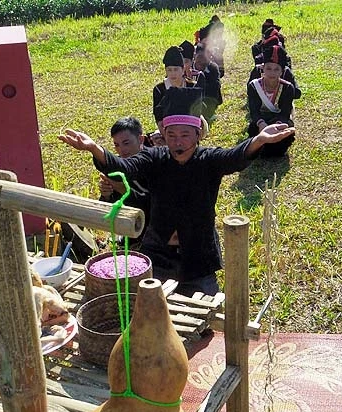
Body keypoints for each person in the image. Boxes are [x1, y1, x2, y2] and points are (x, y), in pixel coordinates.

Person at [58, 87, 295, 297]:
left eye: (184, 135)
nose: (178, 142)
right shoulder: (155, 158)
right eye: (171, 135)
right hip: (159, 253)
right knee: (152, 315)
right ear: (164, 136)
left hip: (198, 256)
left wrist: (259, 140)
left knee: (205, 317)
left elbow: (235, 156)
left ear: (197, 135)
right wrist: (94, 148)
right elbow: (123, 166)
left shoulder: (208, 160)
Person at [98, 117, 151, 245]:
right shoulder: (117, 167)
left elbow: (152, 205)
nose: (121, 150)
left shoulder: (154, 161)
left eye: (126, 143)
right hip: (133, 230)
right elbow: (109, 212)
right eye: (116, 145)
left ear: (140, 139)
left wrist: (122, 189)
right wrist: (106, 194)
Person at [247, 45, 297, 157]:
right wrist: (262, 124)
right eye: (269, 68)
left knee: (285, 133)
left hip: (279, 121)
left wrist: (276, 127)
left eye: (276, 69)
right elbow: (254, 110)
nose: (272, 73)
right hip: (261, 121)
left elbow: (285, 112)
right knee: (253, 130)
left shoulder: (288, 88)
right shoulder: (254, 86)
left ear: (282, 71)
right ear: (263, 69)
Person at [152, 46, 196, 135]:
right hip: (168, 130)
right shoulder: (159, 89)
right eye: (169, 70)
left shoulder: (192, 86)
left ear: (183, 69)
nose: (172, 73)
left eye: (176, 69)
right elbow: (159, 118)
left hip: (189, 127)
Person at [191, 43, 223, 122]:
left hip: (208, 97)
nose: (202, 61)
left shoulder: (213, 68)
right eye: (200, 57)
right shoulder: (189, 69)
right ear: (194, 56)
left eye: (206, 57)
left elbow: (215, 87)